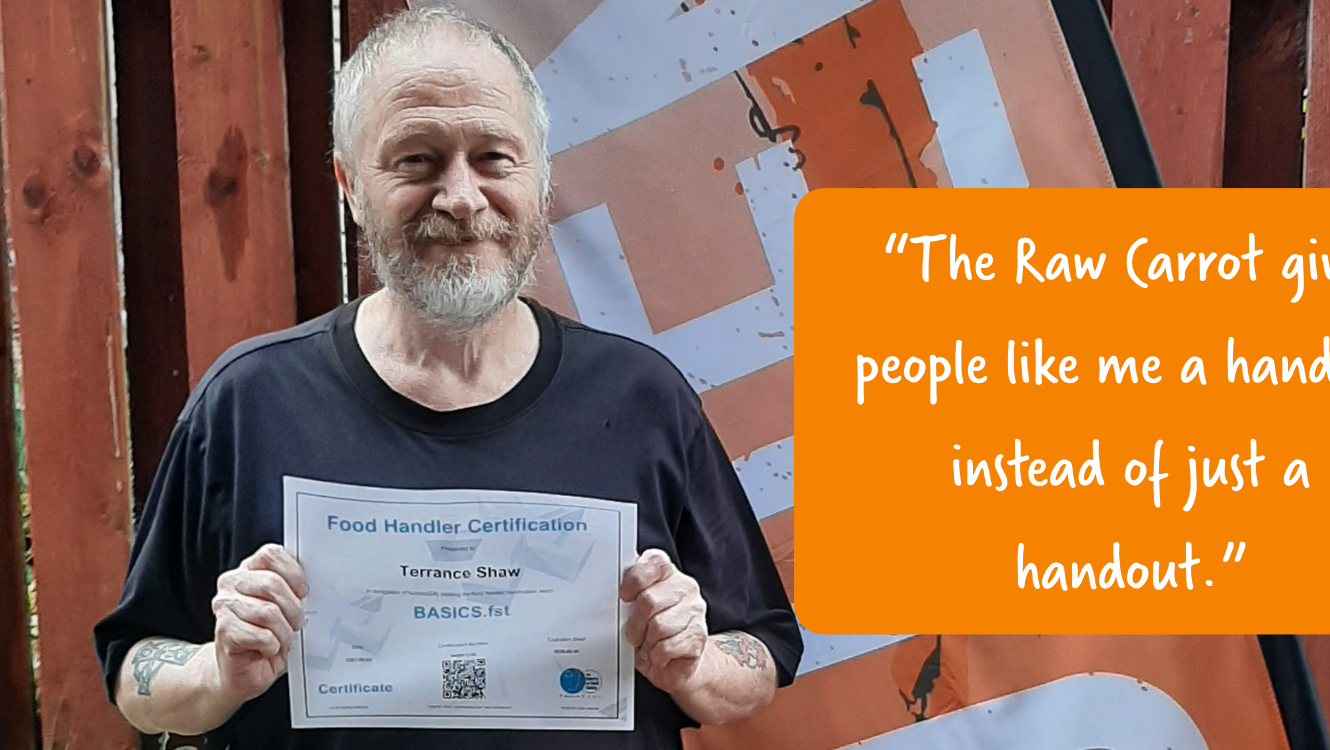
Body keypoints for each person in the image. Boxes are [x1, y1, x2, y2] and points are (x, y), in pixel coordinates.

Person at [92, 7, 801, 748]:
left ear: (540, 174)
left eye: (494, 156)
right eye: (415, 160)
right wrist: (216, 674)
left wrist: (694, 665)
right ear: (349, 184)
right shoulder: (248, 404)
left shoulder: (642, 399)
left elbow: (758, 651)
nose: (461, 198)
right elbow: (135, 666)